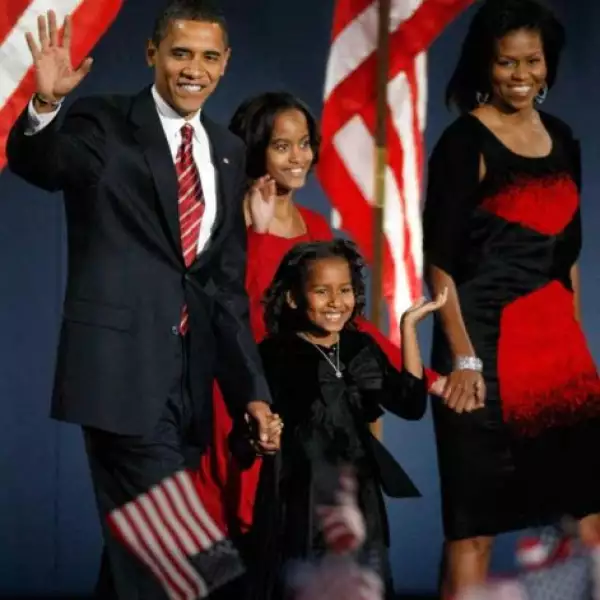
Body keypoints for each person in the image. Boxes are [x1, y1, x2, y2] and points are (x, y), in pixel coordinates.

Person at [6, 3, 280, 598]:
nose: (194, 69)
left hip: (188, 386)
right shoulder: (105, 124)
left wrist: (252, 394)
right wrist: (46, 105)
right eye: (181, 52)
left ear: (225, 64)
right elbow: (41, 162)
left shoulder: (228, 153)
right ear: (153, 53)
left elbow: (224, 291)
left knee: (139, 566)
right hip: (118, 378)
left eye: (209, 56)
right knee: (196, 566)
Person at [192, 92, 460, 546]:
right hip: (240, 396)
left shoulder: (315, 226)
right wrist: (256, 234)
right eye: (282, 145)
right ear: (256, 149)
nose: (298, 157)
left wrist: (432, 378)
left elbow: (349, 327)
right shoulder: (220, 219)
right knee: (217, 540)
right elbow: (236, 309)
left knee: (286, 544)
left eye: (304, 143)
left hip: (296, 410)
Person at [422, 0, 600, 596]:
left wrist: (576, 350)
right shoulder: (462, 141)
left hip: (556, 354)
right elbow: (439, 264)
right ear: (485, 64)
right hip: (481, 354)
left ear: (548, 66)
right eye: (506, 62)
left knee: (586, 520)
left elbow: (566, 258)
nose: (520, 74)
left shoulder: (565, 141)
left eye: (533, 61)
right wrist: (464, 359)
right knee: (475, 529)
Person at [241, 238, 448, 599]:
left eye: (345, 290)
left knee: (359, 579)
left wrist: (409, 328)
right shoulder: (275, 353)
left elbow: (411, 405)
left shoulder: (360, 347)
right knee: (300, 580)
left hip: (356, 489)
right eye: (322, 291)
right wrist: (261, 435)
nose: (336, 302)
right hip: (298, 488)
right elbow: (250, 425)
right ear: (293, 297)